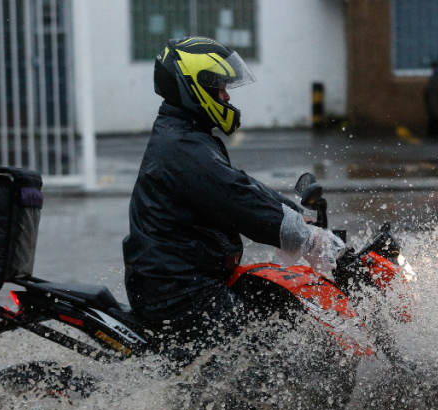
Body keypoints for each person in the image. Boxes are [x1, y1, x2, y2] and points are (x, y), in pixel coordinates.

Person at [122, 37, 345, 360]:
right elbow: (238, 200)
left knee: (278, 307)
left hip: (184, 281)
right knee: (269, 351)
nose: (226, 96)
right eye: (219, 88)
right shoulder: (182, 148)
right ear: (193, 87)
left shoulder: (187, 136)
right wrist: (308, 239)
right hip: (179, 292)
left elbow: (241, 184)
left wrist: (297, 214)